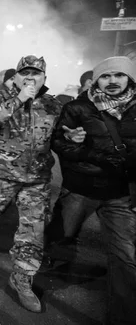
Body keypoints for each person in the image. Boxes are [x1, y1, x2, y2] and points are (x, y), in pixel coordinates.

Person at [51, 56, 136, 325]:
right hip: (81, 188)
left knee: (125, 257)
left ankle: (122, 318)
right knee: (63, 235)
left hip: (120, 195)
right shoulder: (78, 107)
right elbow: (57, 143)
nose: (112, 81)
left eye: (119, 75)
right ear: (96, 79)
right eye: (106, 76)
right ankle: (54, 268)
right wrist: (75, 143)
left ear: (130, 78)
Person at [0, 55, 62, 313]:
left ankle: (22, 279)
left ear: (44, 78)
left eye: (36, 73)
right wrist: (19, 99)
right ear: (16, 76)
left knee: (32, 232)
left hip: (35, 180)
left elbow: (60, 137)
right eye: (25, 73)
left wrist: (74, 138)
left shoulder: (53, 105)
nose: (30, 78)